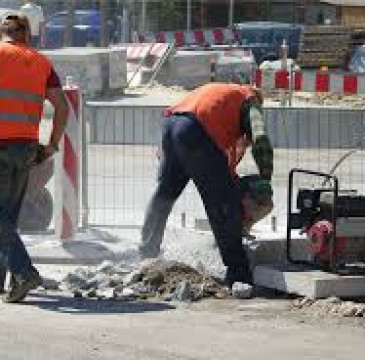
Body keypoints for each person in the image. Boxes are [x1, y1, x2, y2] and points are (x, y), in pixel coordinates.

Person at [139, 82, 273, 287]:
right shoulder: (249, 100)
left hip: (172, 125)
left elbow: (223, 165)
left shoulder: (221, 94)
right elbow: (260, 138)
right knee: (221, 203)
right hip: (198, 131)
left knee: (164, 194)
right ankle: (239, 274)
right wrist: (265, 178)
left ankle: (145, 257)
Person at [0, 14, 68, 303]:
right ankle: (7, 281)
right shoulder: (42, 63)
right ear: (28, 35)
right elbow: (62, 107)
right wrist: (51, 144)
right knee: (7, 219)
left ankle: (25, 272)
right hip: (26, 148)